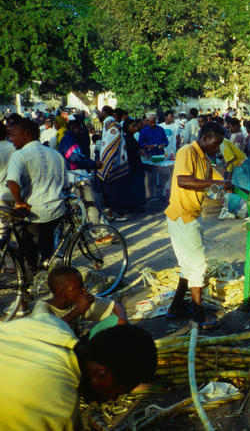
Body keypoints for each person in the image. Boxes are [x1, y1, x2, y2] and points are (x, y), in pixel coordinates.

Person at [0, 313, 156, 430]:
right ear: (103, 373)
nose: (112, 398)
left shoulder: (51, 323)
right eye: (116, 392)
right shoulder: (59, 407)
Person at [165, 121, 229, 329]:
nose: (217, 148)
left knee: (187, 266)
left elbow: (220, 183)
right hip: (183, 216)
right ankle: (199, 316)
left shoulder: (205, 160)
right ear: (205, 138)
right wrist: (217, 184)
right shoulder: (187, 151)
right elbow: (183, 180)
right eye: (216, 143)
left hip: (192, 215)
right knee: (197, 265)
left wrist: (231, 185)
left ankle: (175, 307)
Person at [6, 117, 67, 272]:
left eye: (13, 134)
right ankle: (45, 271)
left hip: (33, 212)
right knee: (47, 247)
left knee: (29, 249)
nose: (11, 139)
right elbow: (65, 185)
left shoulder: (20, 156)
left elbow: (12, 182)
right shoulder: (56, 155)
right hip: (56, 210)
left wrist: (19, 202)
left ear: (26, 134)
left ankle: (31, 279)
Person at [32, 265, 128, 336]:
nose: (84, 289)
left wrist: (122, 319)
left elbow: (114, 305)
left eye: (83, 285)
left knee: (115, 320)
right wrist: (77, 311)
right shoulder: (42, 310)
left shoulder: (77, 301)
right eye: (78, 287)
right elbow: (47, 335)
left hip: (78, 345)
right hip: (58, 356)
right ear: (62, 293)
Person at [97, 107, 130, 221]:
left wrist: (105, 162)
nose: (100, 113)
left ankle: (121, 213)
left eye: (101, 111)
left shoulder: (112, 126)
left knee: (114, 190)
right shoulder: (108, 124)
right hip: (114, 162)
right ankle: (111, 213)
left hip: (114, 163)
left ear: (105, 113)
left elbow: (110, 146)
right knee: (110, 190)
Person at [123, 118, 146, 212]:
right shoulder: (127, 138)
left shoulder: (131, 137)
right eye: (133, 126)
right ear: (128, 128)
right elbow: (131, 150)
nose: (135, 128)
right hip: (133, 166)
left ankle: (137, 205)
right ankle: (136, 206)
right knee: (135, 186)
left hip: (135, 165)